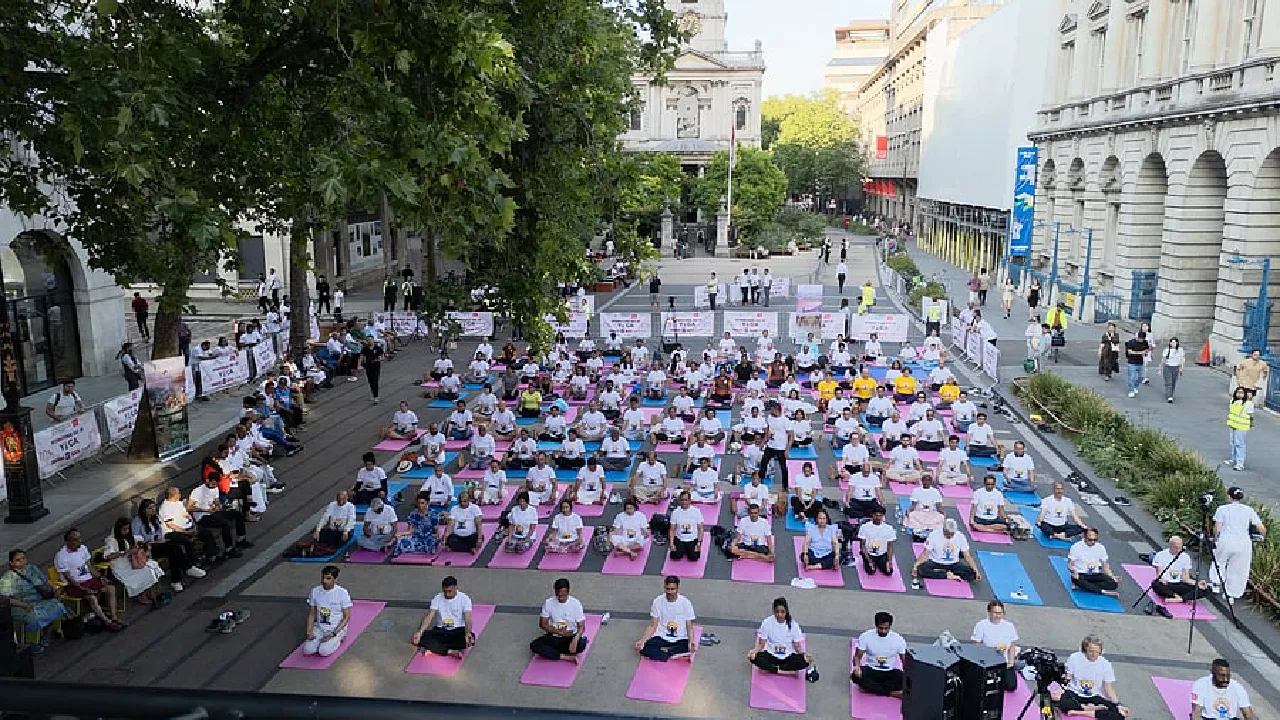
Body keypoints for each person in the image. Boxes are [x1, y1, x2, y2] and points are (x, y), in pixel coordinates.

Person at [54, 528, 122, 631]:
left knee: (111, 588)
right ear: (68, 542)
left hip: (89, 580)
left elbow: (90, 567)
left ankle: (114, 617)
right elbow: (69, 578)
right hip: (74, 585)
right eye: (75, 540)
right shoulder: (61, 556)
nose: (79, 541)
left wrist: (100, 577)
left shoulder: (83, 548)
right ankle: (107, 622)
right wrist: (83, 588)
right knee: (92, 597)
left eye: (79, 538)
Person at [0, 549, 68, 651]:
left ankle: (45, 633)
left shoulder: (32, 569)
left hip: (38, 601)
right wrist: (24, 605)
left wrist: (55, 588)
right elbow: (5, 599)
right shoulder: (7, 578)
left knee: (57, 605)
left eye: (23, 558)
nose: (22, 561)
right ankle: (33, 643)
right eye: (18, 560)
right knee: (34, 618)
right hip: (20, 607)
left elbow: (46, 580)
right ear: (11, 563)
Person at [1212, 487, 1266, 603]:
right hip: (1243, 543)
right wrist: (1262, 537)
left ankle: (1216, 584)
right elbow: (1261, 528)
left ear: (1229, 496)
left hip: (1226, 540)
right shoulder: (1248, 510)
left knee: (1219, 562)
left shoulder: (1222, 509)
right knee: (1238, 569)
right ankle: (1231, 594)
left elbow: (1217, 527)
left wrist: (1216, 538)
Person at [1057, 635, 1130, 719]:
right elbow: (1068, 678)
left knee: (1119, 715)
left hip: (1093, 696)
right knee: (1065, 703)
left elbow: (1108, 688)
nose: (1093, 654)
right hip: (1074, 693)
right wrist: (1061, 690)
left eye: (1097, 652)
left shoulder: (1105, 664)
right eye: (1091, 651)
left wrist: (1118, 705)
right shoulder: (1074, 658)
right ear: (1085, 650)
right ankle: (1089, 709)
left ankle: (1081, 711)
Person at [748, 597, 814, 678]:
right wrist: (753, 651)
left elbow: (797, 647)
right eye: (777, 612)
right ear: (773, 611)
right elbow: (761, 644)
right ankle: (786, 671)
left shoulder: (794, 625)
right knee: (753, 657)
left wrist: (804, 654)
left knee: (805, 661)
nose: (779, 615)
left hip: (787, 656)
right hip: (771, 655)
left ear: (786, 611)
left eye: (782, 612)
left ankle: (771, 669)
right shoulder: (767, 623)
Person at [103, 517, 163, 604]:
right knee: (142, 573)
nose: (126, 531)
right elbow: (108, 556)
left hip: (131, 563)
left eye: (128, 529)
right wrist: (125, 552)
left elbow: (140, 539)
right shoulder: (111, 540)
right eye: (124, 529)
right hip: (120, 567)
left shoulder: (129, 537)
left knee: (150, 568)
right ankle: (141, 595)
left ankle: (148, 592)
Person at [412, 576, 475, 658]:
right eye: (445, 591)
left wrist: (468, 633)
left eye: (450, 591)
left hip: (458, 630)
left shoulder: (465, 599)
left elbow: (468, 619)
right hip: (441, 630)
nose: (447, 594)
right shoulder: (437, 598)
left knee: (470, 640)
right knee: (417, 639)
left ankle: (436, 649)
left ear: (455, 588)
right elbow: (429, 616)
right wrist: (419, 632)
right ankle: (450, 651)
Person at [530, 578, 589, 662]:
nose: (561, 597)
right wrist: (559, 632)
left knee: (581, 645)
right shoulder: (548, 603)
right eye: (559, 595)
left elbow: (582, 626)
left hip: (570, 636)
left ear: (568, 592)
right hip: (555, 636)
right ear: (555, 592)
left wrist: (576, 638)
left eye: (563, 594)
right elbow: (543, 624)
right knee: (534, 645)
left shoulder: (575, 603)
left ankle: (555, 652)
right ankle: (566, 657)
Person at [851, 611, 908, 696]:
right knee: (855, 676)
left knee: (906, 681)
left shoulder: (898, 640)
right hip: (871, 670)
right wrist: (857, 667)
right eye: (881, 628)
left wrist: (907, 674)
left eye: (886, 628)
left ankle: (870, 689)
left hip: (890, 671)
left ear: (890, 627)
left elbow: (904, 660)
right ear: (876, 626)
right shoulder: (866, 636)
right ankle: (892, 693)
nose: (883, 631)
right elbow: (857, 656)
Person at [302, 565, 353, 657]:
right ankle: (320, 640)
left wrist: (333, 633)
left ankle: (339, 637)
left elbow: (347, 617)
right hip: (320, 627)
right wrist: (309, 631)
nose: (324, 581)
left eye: (328, 578)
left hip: (334, 628)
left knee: (323, 651)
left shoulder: (342, 593)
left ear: (335, 579)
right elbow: (312, 613)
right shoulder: (315, 591)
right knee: (307, 650)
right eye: (323, 578)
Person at [911, 519, 981, 584]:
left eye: (952, 534)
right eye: (948, 533)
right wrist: (916, 565)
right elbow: (926, 553)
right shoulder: (934, 535)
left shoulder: (960, 536)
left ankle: (942, 572)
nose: (950, 536)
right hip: (936, 562)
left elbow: (967, 556)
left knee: (972, 574)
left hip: (953, 563)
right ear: (943, 530)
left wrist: (976, 570)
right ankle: (946, 574)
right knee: (921, 570)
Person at [971, 600, 1019, 691]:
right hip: (988, 661)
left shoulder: (1009, 626)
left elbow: (1012, 645)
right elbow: (976, 644)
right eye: (995, 613)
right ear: (989, 612)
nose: (998, 615)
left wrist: (1011, 662)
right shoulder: (981, 625)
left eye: (1000, 613)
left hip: (1003, 661)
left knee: (1011, 686)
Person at [1190, 658, 1256, 720]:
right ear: (1213, 673)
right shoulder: (1201, 684)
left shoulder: (1237, 687)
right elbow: (1196, 713)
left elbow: (1248, 714)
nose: (1226, 679)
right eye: (1222, 675)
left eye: (1228, 675)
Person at [1148, 535, 1203, 605]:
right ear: (1171, 546)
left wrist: (1197, 583)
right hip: (1167, 584)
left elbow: (1186, 578)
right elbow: (1159, 574)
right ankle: (1178, 596)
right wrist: (1162, 580)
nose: (1179, 550)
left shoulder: (1186, 557)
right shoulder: (1160, 555)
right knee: (1155, 584)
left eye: (1180, 547)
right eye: (1176, 547)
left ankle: (1180, 599)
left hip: (1179, 584)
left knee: (1205, 589)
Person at [1067, 528, 1120, 596]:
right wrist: (1073, 571)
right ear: (1084, 537)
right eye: (1090, 540)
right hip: (1081, 574)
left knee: (1113, 584)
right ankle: (1103, 592)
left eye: (1095, 540)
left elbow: (1105, 565)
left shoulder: (1101, 547)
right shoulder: (1076, 547)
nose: (1092, 542)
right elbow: (1070, 564)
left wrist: (1112, 576)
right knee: (1078, 580)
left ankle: (1084, 586)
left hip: (1094, 574)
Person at [667, 491, 704, 561]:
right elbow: (672, 529)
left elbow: (700, 529)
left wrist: (699, 543)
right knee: (675, 556)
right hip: (680, 538)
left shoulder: (696, 512)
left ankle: (687, 549)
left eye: (686, 500)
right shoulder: (675, 512)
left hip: (692, 539)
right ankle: (683, 549)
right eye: (682, 500)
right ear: (680, 500)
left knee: (694, 557)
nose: (684, 502)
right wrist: (671, 543)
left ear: (690, 500)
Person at [1225, 386, 1254, 471]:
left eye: (1241, 392)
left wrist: (1251, 424)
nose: (1239, 394)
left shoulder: (1248, 404)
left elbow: (1251, 416)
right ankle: (1234, 459)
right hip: (1232, 425)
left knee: (1240, 444)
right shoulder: (1233, 401)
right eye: (1238, 392)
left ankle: (1240, 463)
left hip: (1241, 427)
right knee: (1233, 443)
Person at [1123, 331, 1149, 398]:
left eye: (1142, 338)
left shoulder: (1145, 342)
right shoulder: (1131, 342)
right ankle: (1131, 390)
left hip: (1140, 362)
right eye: (1140, 338)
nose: (1141, 340)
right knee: (1131, 377)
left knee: (1142, 377)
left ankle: (1135, 386)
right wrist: (1140, 353)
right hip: (1132, 362)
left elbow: (1147, 349)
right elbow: (1130, 351)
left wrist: (1145, 351)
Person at [359, 336, 384, 403]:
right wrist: (359, 365)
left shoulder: (377, 348)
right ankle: (373, 393)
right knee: (370, 381)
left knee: (375, 381)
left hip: (376, 366)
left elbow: (382, 356)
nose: (369, 341)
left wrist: (379, 359)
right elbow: (361, 357)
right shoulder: (365, 349)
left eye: (370, 340)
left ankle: (376, 396)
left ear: (373, 340)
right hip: (368, 366)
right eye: (368, 340)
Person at [1160, 337, 1185, 403]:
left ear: (1177, 343)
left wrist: (1181, 368)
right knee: (1169, 382)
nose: (1173, 344)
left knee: (1173, 382)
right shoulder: (1166, 350)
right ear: (1170, 343)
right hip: (1167, 367)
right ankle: (1169, 396)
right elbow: (1163, 359)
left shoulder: (1180, 350)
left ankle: (1170, 393)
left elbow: (1182, 359)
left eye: (1175, 342)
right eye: (1172, 342)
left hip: (1176, 367)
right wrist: (1160, 368)